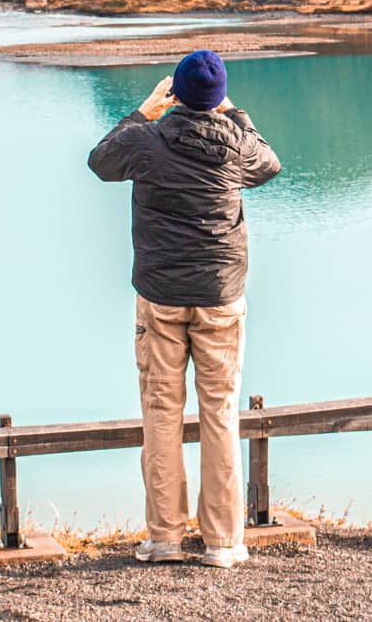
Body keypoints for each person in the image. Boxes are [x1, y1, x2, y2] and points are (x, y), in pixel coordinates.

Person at [87, 49, 281, 568]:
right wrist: (233, 112)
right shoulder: (238, 143)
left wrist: (144, 112)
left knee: (160, 414)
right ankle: (222, 543)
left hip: (161, 299)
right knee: (220, 414)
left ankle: (165, 539)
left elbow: (100, 161)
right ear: (217, 99)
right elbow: (270, 162)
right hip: (220, 297)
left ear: (174, 92)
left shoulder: (146, 141)